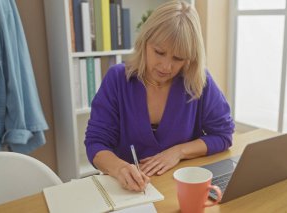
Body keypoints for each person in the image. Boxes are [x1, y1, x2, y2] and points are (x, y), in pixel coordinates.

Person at [85, 0, 235, 193]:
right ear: (144, 42)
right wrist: (120, 168)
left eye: (178, 58)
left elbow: (223, 135)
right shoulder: (117, 79)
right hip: (130, 191)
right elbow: (96, 143)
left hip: (180, 189)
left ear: (190, 57)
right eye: (159, 52)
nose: (166, 67)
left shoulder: (198, 81)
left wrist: (178, 152)